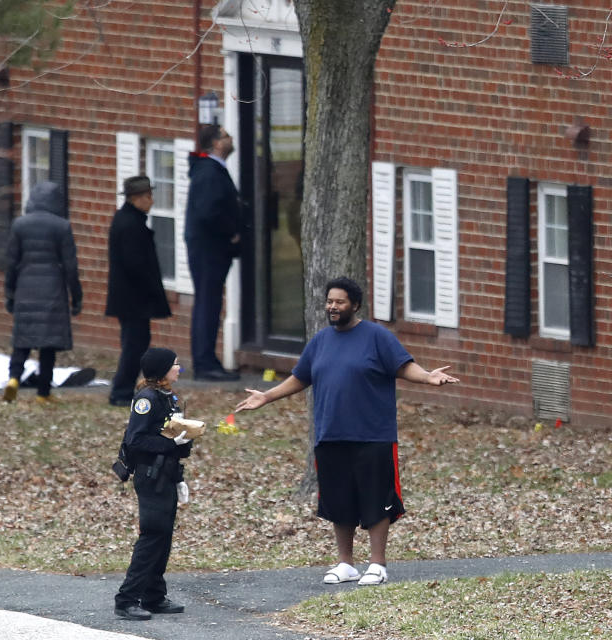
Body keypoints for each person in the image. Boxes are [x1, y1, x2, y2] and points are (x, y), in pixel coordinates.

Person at [235, 277, 459, 586]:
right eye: (329, 301)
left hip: (373, 434)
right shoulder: (321, 341)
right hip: (331, 433)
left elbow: (402, 366)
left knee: (376, 500)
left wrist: (427, 377)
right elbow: (301, 377)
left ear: (354, 304)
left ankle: (377, 565)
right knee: (339, 501)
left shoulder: (377, 336)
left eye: (339, 302)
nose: (332, 307)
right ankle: (346, 563)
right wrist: (267, 396)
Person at [114, 348, 193, 620]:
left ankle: (154, 595)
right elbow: (136, 440)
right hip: (151, 477)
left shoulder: (166, 396)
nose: (179, 368)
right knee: (152, 537)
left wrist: (180, 477)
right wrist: (171, 443)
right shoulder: (146, 399)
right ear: (161, 370)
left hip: (167, 475)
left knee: (164, 537)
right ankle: (126, 599)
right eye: (175, 364)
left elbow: (169, 433)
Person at [2, 181, 82, 403]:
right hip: (53, 290)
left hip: (25, 288)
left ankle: (14, 379)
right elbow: (70, 266)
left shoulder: (19, 225)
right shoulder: (62, 226)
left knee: (22, 340)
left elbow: (11, 263)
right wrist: (76, 297)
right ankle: (43, 393)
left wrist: (9, 293)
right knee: (48, 346)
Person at [105, 176, 172, 407]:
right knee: (135, 345)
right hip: (133, 298)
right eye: (147, 196)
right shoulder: (129, 224)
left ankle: (123, 389)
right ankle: (121, 391)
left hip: (131, 297)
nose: (151, 201)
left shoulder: (129, 220)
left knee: (136, 343)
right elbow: (135, 264)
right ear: (136, 198)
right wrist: (150, 289)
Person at [185, 124, 242, 381]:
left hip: (209, 248)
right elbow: (209, 212)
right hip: (209, 248)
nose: (230, 138)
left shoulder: (211, 170)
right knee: (208, 304)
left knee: (208, 303)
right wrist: (232, 231)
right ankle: (205, 362)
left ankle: (207, 359)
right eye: (226, 135)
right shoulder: (209, 172)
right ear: (217, 143)